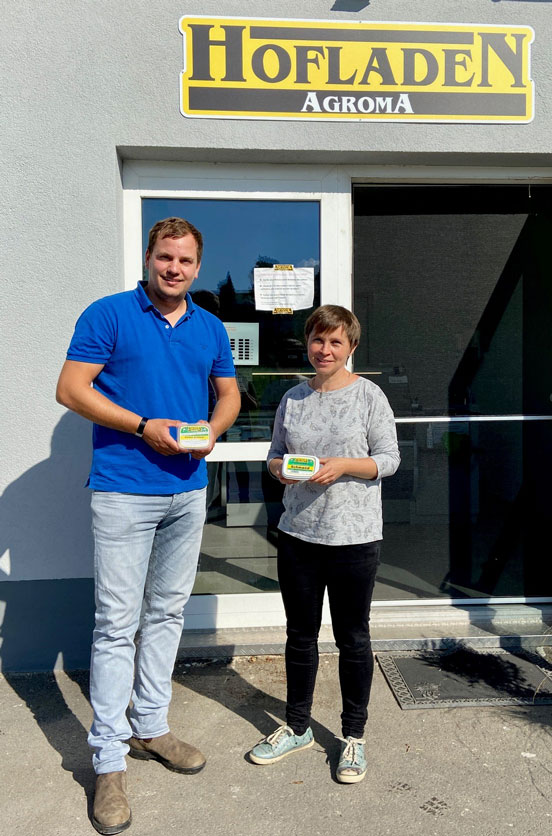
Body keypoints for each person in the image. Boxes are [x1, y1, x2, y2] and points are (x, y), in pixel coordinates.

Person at [56, 217, 240, 834]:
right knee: (116, 624)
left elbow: (228, 394)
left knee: (166, 613)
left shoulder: (209, 325)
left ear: (197, 266)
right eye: (165, 257)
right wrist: (141, 426)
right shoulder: (109, 314)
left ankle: (152, 728)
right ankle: (108, 762)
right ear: (148, 257)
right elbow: (70, 389)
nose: (174, 269)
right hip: (124, 492)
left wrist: (212, 430)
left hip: (187, 490)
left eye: (185, 261)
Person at [249, 305, 399, 783]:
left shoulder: (369, 396)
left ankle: (353, 736)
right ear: (308, 343)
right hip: (299, 535)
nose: (325, 350)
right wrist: (280, 469)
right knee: (300, 635)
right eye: (318, 340)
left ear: (351, 347)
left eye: (336, 342)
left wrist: (343, 466)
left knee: (353, 637)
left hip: (354, 536)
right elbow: (275, 455)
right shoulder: (292, 398)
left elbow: (388, 459)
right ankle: (297, 727)